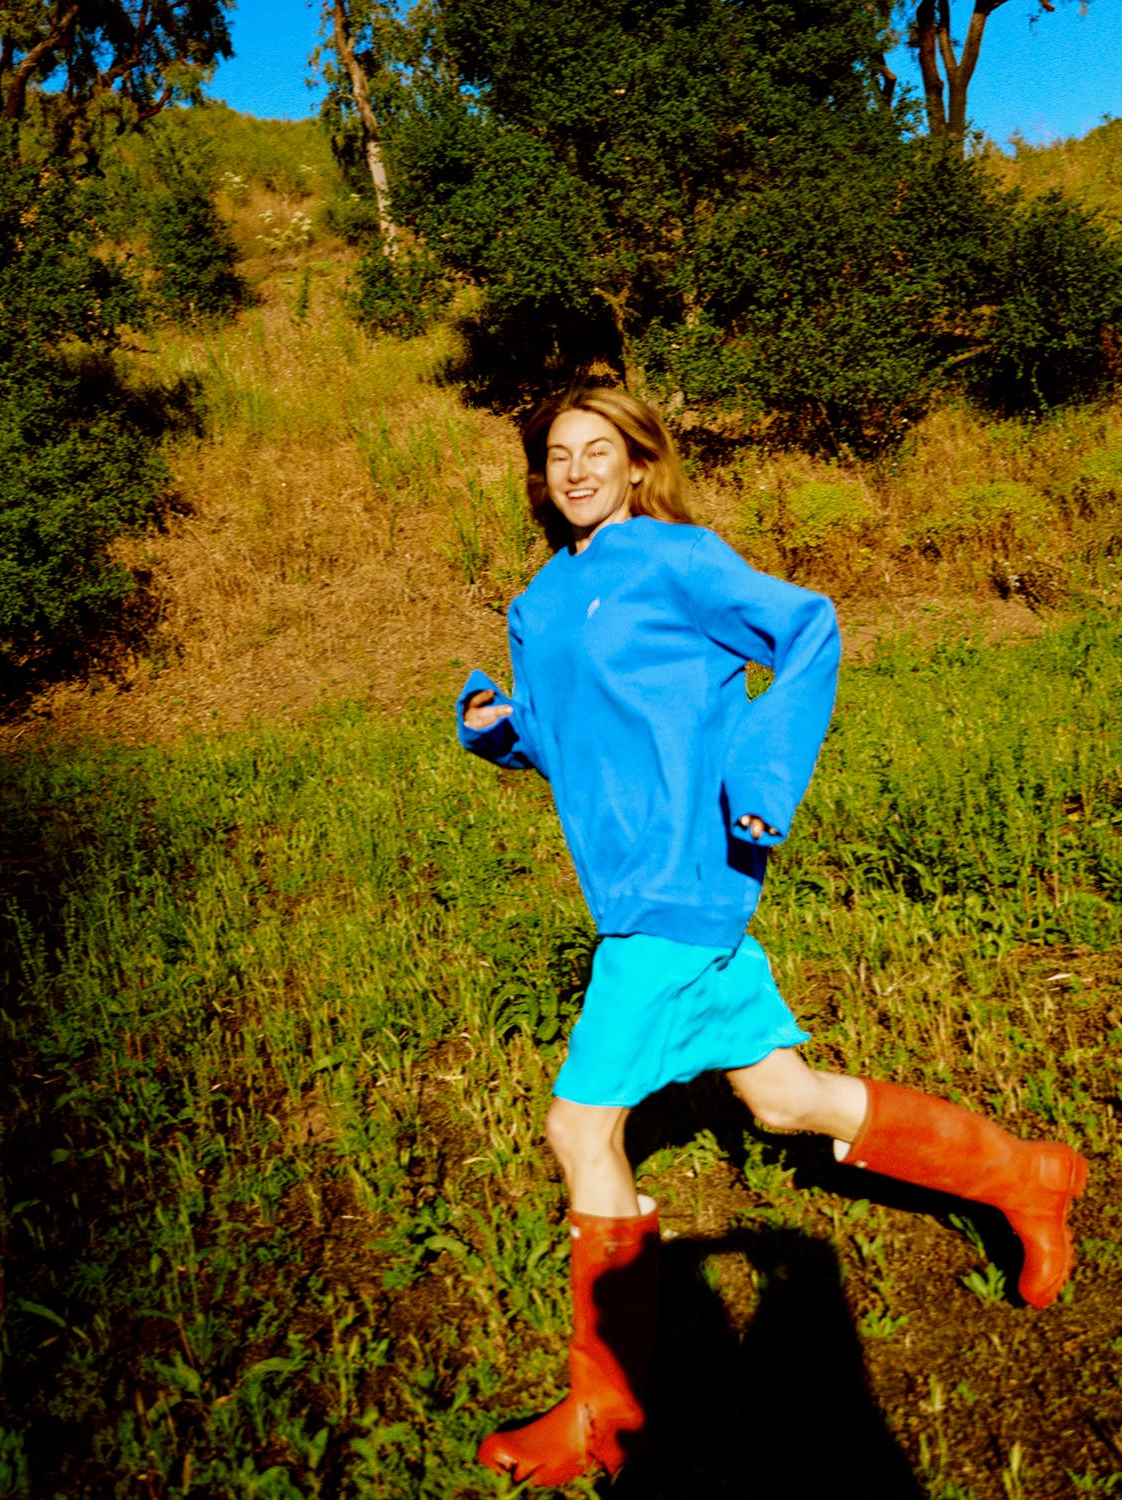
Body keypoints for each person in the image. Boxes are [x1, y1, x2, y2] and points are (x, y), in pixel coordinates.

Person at [456, 387, 1089, 1490]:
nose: (577, 469)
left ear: (638, 462)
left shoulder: (677, 559)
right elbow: (582, 750)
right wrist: (508, 735)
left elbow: (811, 628)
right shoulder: (540, 604)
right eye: (559, 455)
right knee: (784, 1102)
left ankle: (608, 1416)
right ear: (541, 476)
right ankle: (1027, 1177)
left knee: (578, 1129)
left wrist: (758, 773)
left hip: (685, 884)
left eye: (598, 450)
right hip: (629, 889)